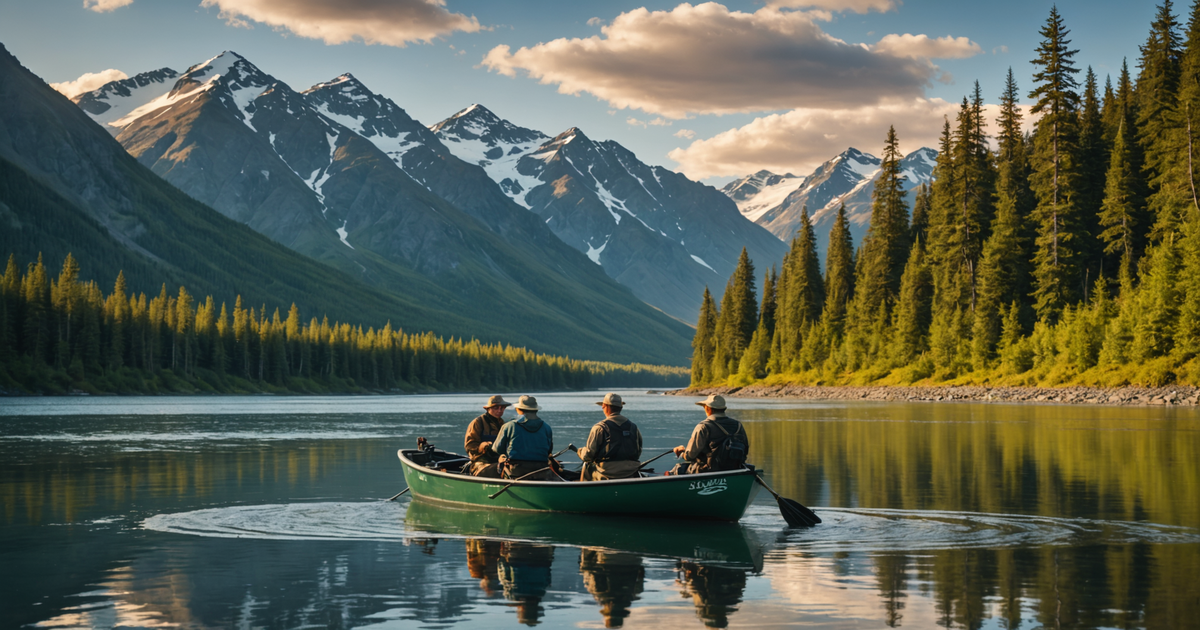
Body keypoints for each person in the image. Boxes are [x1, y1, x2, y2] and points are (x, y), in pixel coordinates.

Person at [669, 394, 748, 475]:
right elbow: (745, 450)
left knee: (678, 469)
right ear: (723, 409)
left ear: (708, 408)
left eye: (704, 407)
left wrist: (682, 452)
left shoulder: (703, 426)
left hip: (707, 471)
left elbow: (690, 456)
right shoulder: (738, 425)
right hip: (735, 469)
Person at [576, 392, 643, 480]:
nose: (602, 407)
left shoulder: (599, 428)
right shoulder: (633, 427)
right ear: (621, 408)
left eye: (603, 406)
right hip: (632, 471)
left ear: (605, 406)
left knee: (587, 468)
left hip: (607, 472)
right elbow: (638, 452)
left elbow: (588, 456)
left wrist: (580, 451)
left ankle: (585, 492)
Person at [493, 395, 554, 480]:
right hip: (541, 470)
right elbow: (549, 450)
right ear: (536, 410)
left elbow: (497, 449)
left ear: (519, 410)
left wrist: (506, 454)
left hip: (516, 471)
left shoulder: (509, 426)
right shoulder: (547, 427)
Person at [464, 395, 509, 477]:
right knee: (492, 470)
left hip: (498, 459)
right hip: (480, 461)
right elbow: (469, 446)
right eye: (496, 408)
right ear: (488, 409)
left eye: (502, 408)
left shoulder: (503, 424)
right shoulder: (478, 422)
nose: (500, 410)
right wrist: (482, 446)